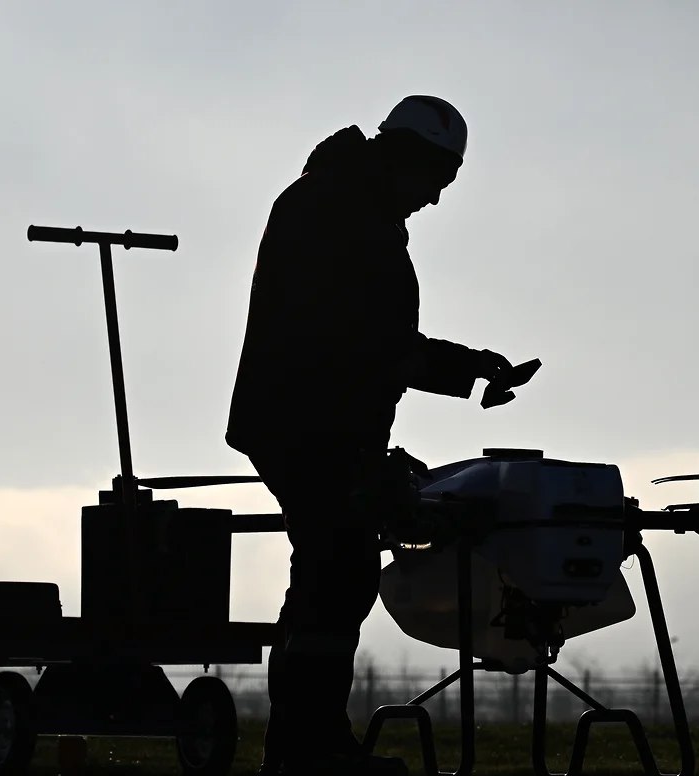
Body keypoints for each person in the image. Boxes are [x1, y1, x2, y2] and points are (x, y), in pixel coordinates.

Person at [225, 95, 516, 776]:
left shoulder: (343, 206)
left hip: (317, 426)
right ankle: (308, 750)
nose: (436, 202)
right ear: (408, 160)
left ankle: (304, 747)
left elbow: (376, 344)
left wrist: (464, 369)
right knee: (335, 573)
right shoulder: (336, 213)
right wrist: (455, 371)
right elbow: (363, 343)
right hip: (309, 428)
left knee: (329, 578)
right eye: (436, 184)